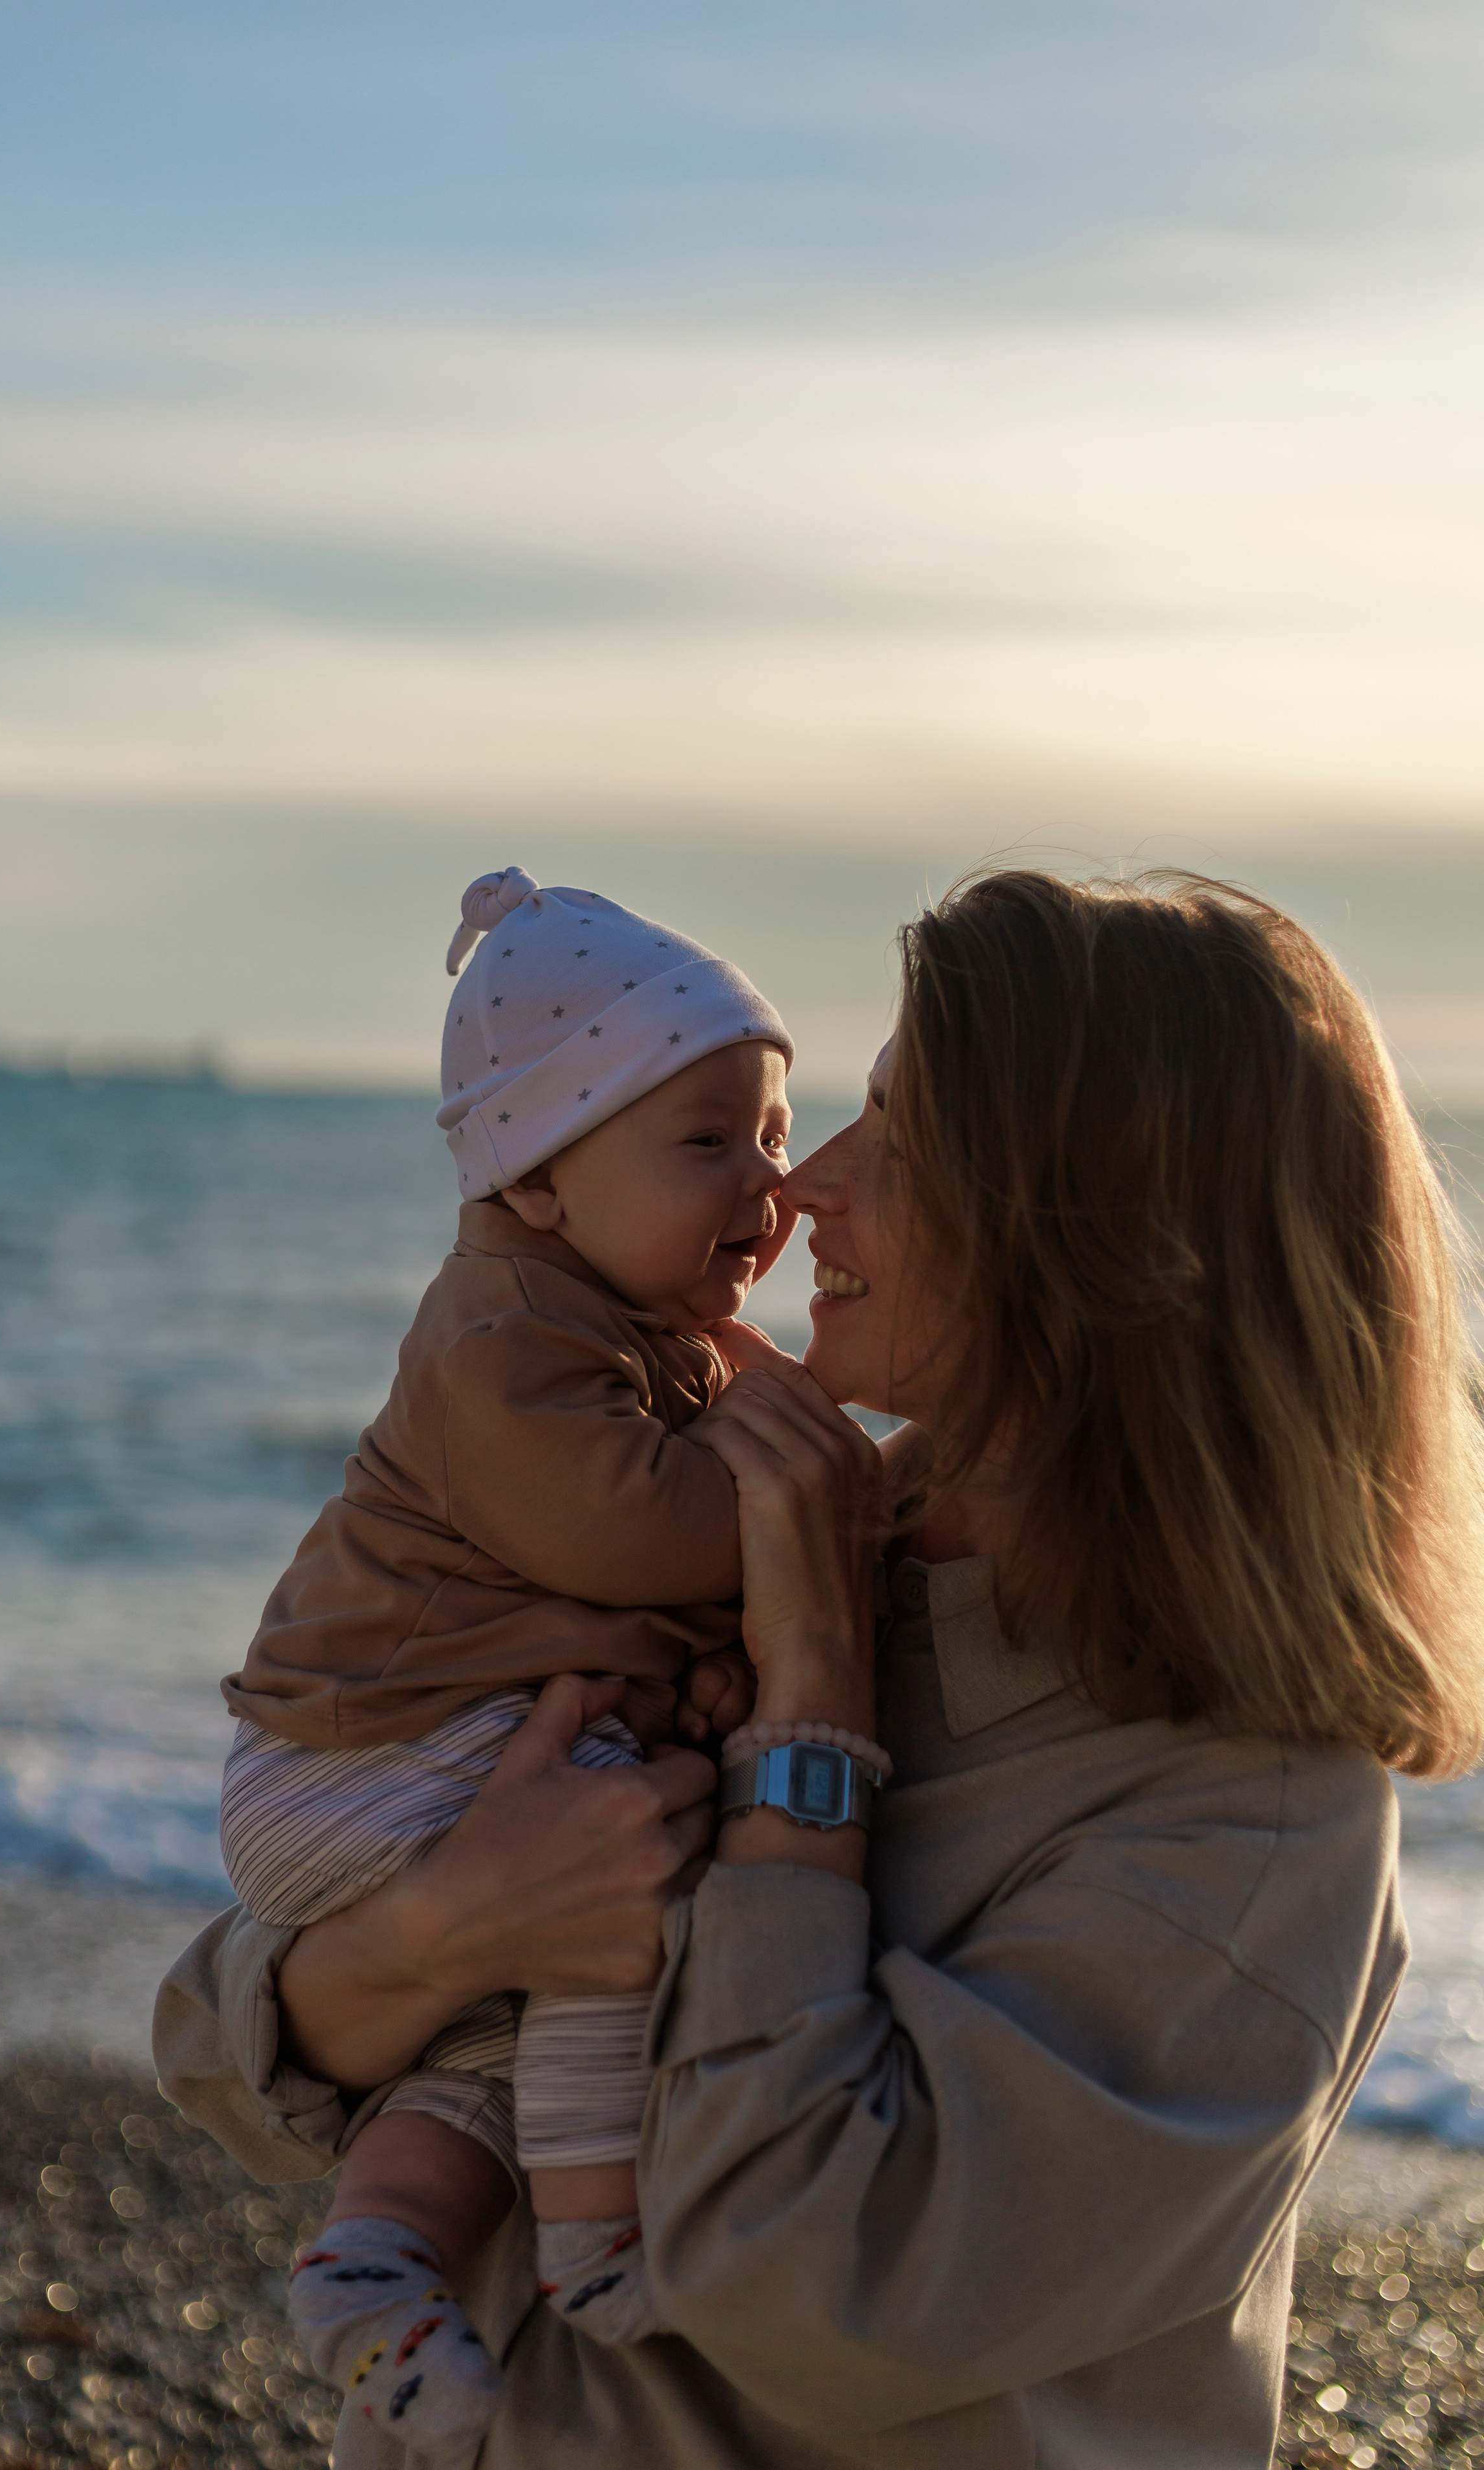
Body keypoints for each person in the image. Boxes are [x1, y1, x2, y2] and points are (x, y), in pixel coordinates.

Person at [157, 868, 1484, 2468]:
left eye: (906, 1146)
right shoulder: (795, 1530)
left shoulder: (1251, 1824)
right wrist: (450, 1926)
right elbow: (220, 2054)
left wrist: (810, 1729)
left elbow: (806, 2290)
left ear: (1114, 1243)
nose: (808, 1193)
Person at [213, 866, 811, 2460]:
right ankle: (596, 2243)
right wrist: (816, 1493)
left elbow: (615, 1595)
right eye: (706, 1143)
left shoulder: (605, 1320)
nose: (768, 1183)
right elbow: (631, 1536)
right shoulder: (503, 1333)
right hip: (362, 1762)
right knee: (626, 1891)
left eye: (769, 1131)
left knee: (481, 2046)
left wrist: (697, 1663)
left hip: (407, 1757)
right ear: (535, 1180)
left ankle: (378, 2266)